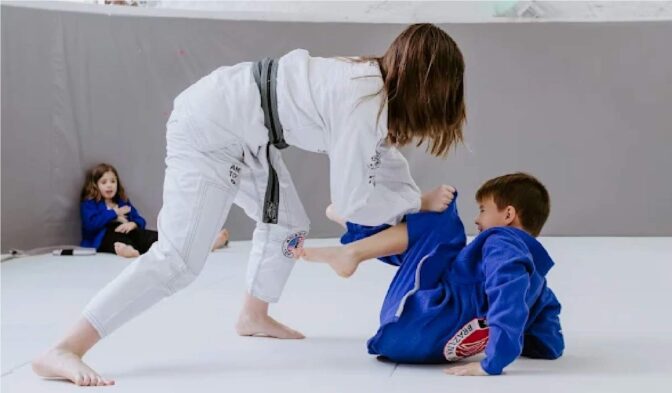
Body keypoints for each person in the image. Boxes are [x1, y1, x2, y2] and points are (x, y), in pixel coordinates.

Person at [33, 23, 466, 386]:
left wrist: (414, 200)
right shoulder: (363, 100)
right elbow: (352, 201)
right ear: (426, 87)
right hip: (211, 129)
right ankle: (64, 348)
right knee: (177, 261)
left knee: (289, 224)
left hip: (246, 130)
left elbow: (381, 158)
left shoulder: (372, 85)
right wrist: (416, 201)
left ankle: (252, 315)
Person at [300, 173, 564, 376]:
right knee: (435, 251)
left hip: (415, 324)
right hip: (435, 349)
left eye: (483, 210)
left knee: (441, 224)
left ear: (508, 215)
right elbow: (550, 341)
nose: (477, 219)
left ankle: (355, 237)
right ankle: (357, 235)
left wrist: (494, 362)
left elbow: (506, 293)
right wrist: (537, 347)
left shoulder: (500, 241)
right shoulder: (538, 285)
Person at [80, 163, 229, 258]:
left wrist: (134, 224)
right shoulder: (90, 203)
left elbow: (139, 219)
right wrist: (114, 213)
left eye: (113, 181)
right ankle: (128, 250)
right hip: (106, 235)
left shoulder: (122, 201)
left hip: (130, 231)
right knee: (116, 239)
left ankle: (204, 244)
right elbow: (91, 224)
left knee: (152, 236)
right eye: (104, 182)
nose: (109, 186)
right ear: (95, 185)